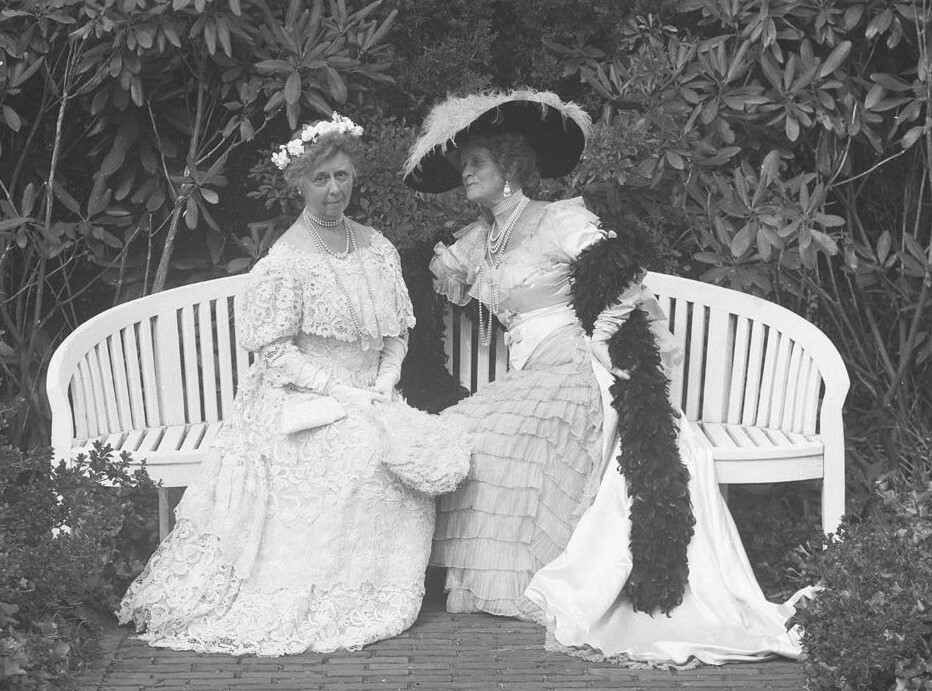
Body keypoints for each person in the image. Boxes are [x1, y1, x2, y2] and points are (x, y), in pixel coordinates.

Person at [403, 90, 806, 666]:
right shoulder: (476, 241)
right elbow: (428, 275)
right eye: (461, 162)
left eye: (477, 161)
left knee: (494, 434)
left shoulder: (557, 219)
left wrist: (602, 334)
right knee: (459, 428)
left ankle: (533, 579)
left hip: (576, 367)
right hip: (530, 373)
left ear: (512, 166)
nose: (464, 171)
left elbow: (615, 269)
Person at [118, 113, 471, 656]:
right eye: (321, 179)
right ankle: (325, 595)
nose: (334, 189)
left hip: (370, 391)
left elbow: (396, 331)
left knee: (412, 449)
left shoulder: (377, 248)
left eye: (343, 176)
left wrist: (385, 377)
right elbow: (276, 354)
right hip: (301, 399)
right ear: (300, 185)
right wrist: (343, 393)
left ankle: (377, 588)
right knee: (363, 450)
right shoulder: (285, 261)